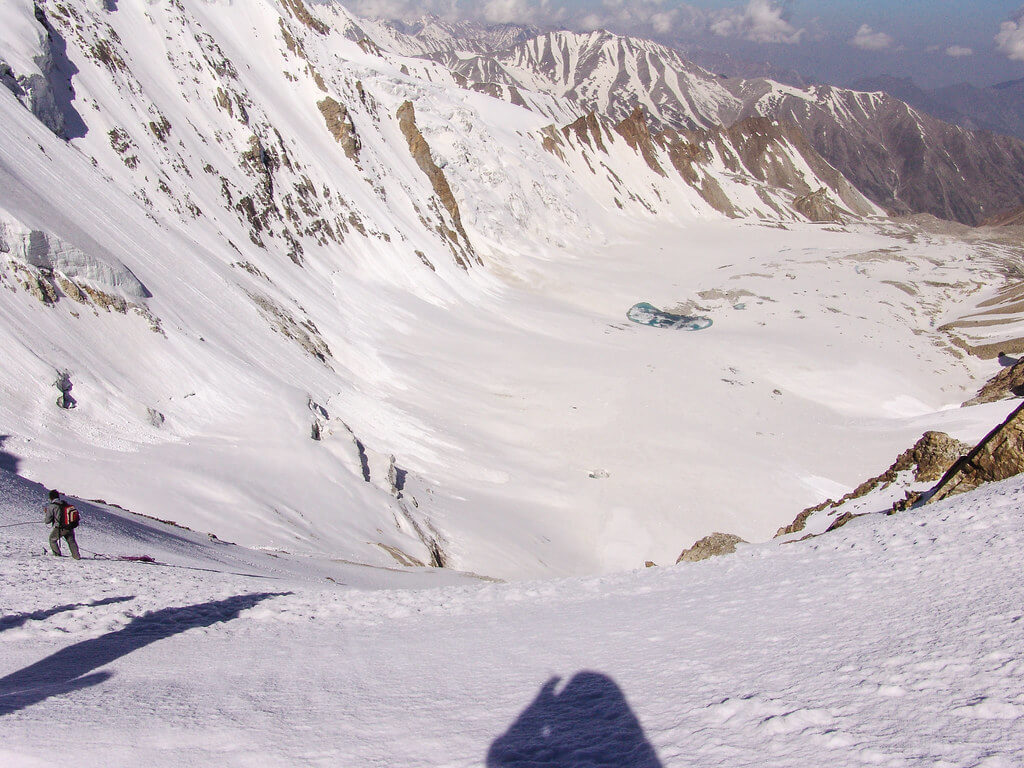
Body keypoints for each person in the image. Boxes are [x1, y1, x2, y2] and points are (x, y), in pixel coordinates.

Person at [44, 489, 80, 559]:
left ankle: (57, 555)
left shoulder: (52, 506)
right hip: (69, 527)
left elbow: (47, 521)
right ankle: (77, 556)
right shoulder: (64, 503)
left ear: (51, 497)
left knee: (52, 539)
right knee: (71, 541)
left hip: (60, 528)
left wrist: (46, 513)